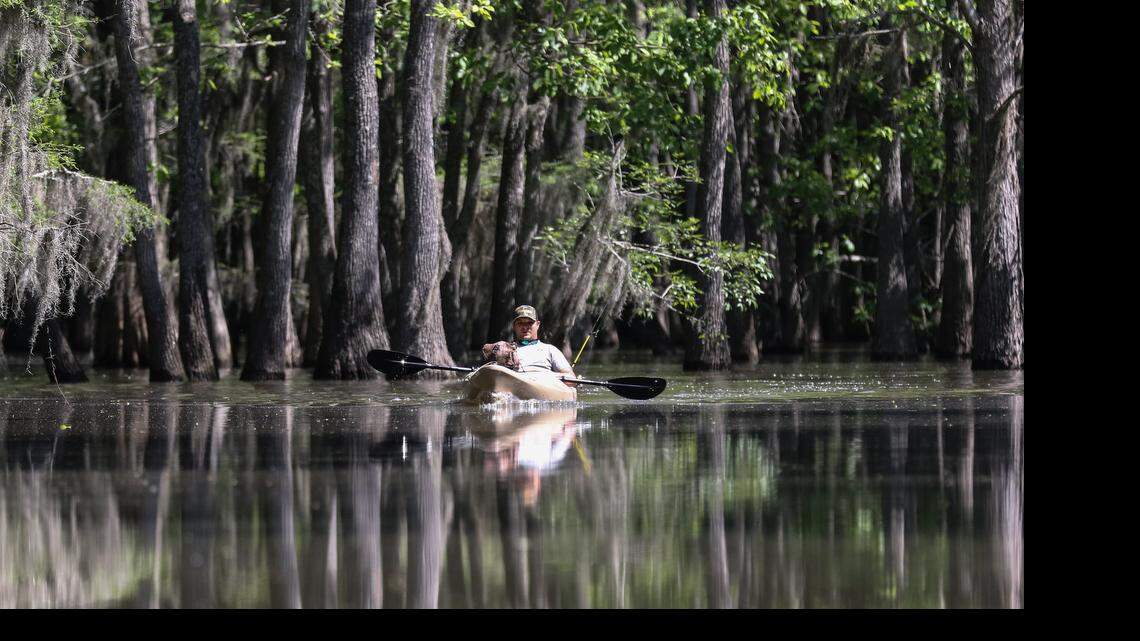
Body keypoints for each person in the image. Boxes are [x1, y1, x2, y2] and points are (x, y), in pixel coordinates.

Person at [509, 305, 576, 386]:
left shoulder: (550, 349)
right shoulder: (506, 350)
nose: (525, 327)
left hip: (543, 386)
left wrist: (542, 375)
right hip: (514, 385)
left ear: (537, 324)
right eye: (520, 323)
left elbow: (571, 379)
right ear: (514, 326)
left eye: (530, 323)